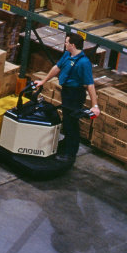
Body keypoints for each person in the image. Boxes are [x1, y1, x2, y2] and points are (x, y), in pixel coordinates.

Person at [34, 33, 100, 162]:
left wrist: (95, 106)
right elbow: (56, 68)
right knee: (66, 120)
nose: (65, 44)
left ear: (72, 45)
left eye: (66, 42)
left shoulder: (84, 63)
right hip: (66, 92)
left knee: (71, 123)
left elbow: (90, 85)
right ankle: (67, 142)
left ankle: (70, 153)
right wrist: (43, 81)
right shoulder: (67, 55)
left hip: (75, 94)